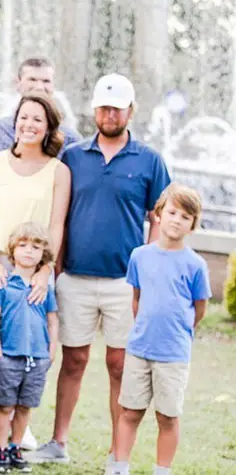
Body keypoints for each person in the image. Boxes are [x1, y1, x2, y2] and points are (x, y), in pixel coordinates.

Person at [29, 74, 171, 472]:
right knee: (72, 360)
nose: (109, 114)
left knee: (120, 365)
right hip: (74, 277)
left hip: (124, 283)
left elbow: (159, 215)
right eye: (103, 107)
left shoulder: (149, 159)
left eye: (117, 107)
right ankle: (58, 441)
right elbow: (57, 215)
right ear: (94, 110)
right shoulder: (72, 156)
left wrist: (152, 264)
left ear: (130, 111)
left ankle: (117, 453)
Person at [0, 92, 71, 458]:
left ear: (49, 126)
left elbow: (56, 225)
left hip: (35, 272)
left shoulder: (59, 171)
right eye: (23, 117)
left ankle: (8, 437)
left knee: (24, 351)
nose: (29, 124)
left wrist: (46, 270)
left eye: (38, 119)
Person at [111, 184, 211, 475]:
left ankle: (162, 470)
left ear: (193, 224)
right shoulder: (140, 256)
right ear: (158, 215)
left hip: (173, 353)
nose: (177, 220)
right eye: (172, 212)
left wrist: (179, 331)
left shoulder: (195, 264)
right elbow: (137, 299)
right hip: (139, 348)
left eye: (185, 216)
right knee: (129, 411)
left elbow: (199, 308)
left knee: (167, 416)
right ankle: (119, 467)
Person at [0, 222, 59, 473]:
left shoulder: (45, 288)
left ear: (43, 254)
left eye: (36, 247)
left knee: (25, 406)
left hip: (37, 357)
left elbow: (52, 321)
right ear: (12, 250)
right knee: (5, 406)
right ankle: (0, 449)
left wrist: (50, 353)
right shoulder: (3, 284)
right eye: (23, 245)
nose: (29, 251)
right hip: (9, 356)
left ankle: (16, 447)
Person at [0, 57, 82, 157]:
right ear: (18, 83)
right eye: (32, 79)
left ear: (53, 86)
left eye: (46, 81)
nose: (39, 87)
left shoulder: (70, 140)